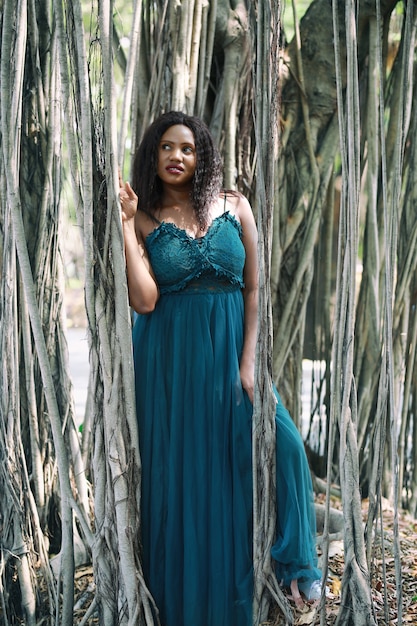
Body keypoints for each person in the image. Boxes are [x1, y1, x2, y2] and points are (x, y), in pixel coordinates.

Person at [119, 111, 322, 626]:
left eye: (186, 148)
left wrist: (249, 361)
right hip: (170, 362)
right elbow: (143, 301)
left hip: (231, 352)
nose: (176, 157)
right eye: (166, 148)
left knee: (286, 443)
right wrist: (125, 227)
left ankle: (296, 564)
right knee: (183, 478)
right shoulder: (146, 217)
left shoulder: (235, 206)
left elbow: (253, 288)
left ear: (202, 154)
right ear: (153, 155)